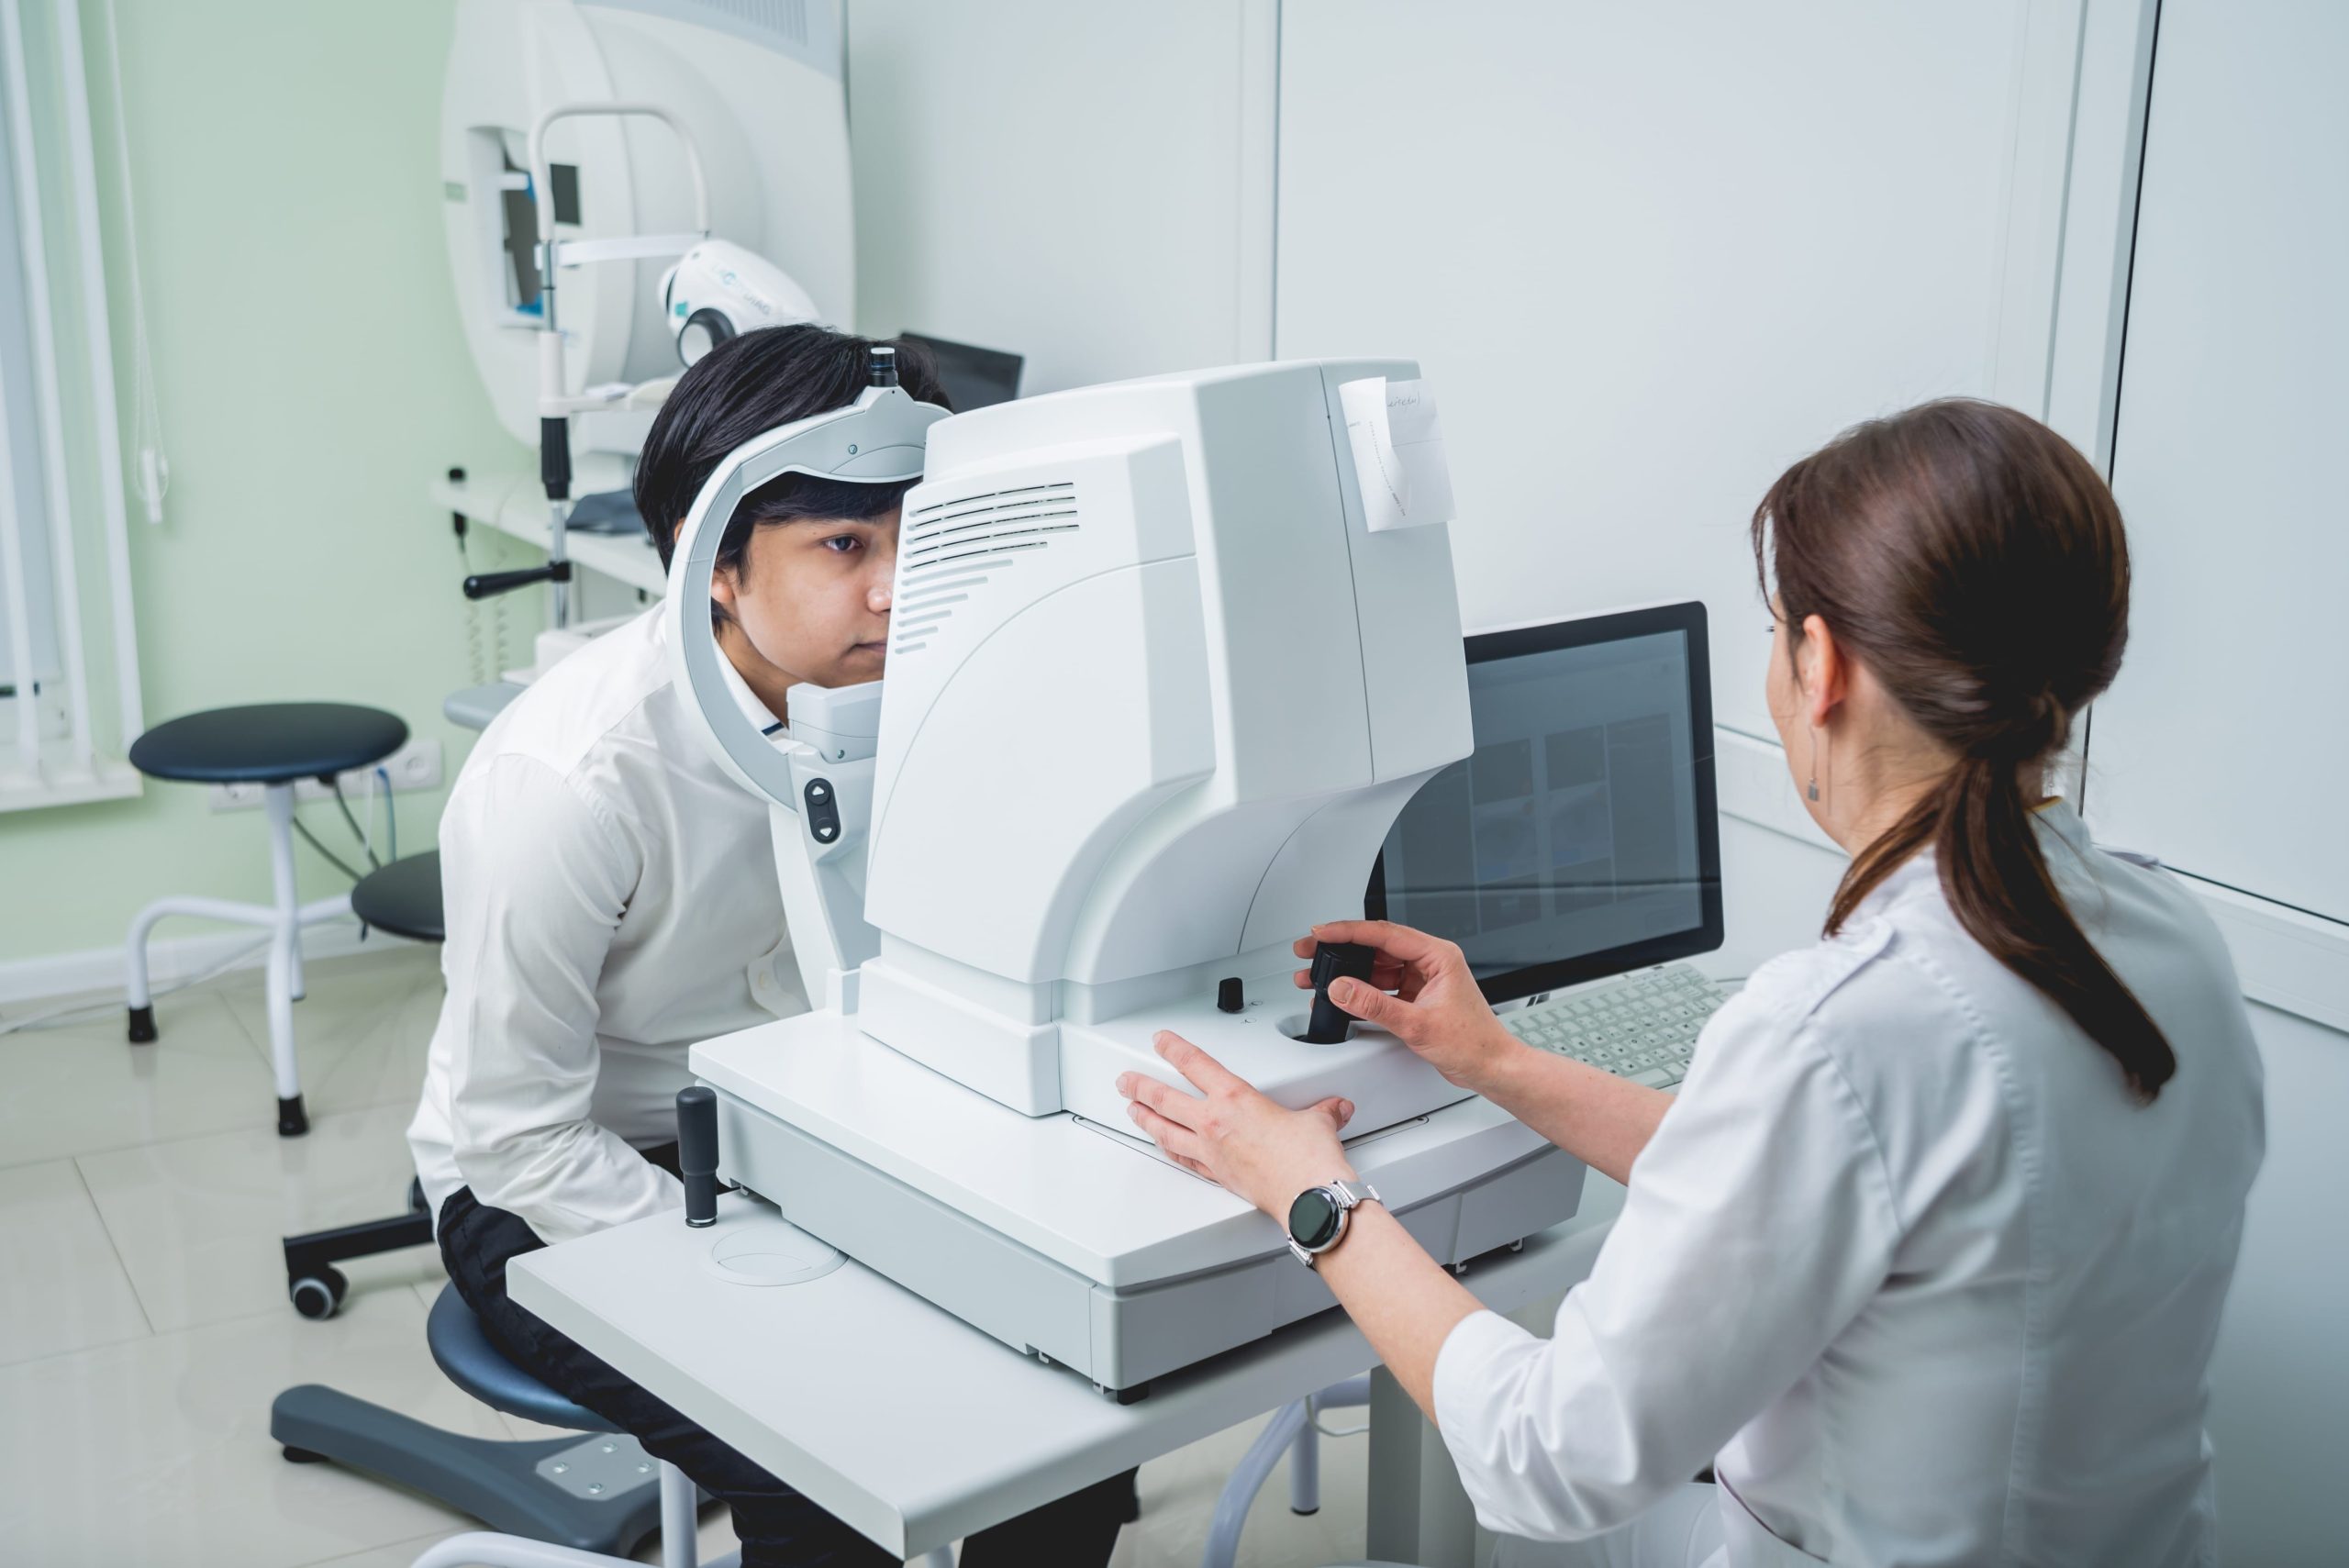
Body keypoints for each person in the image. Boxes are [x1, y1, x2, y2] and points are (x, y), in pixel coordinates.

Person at [1116, 399, 2266, 1566]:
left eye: (1777, 632)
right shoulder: (2176, 940)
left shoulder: (1837, 1028)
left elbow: (1547, 1458)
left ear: (1818, 664)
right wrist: (1496, 1060)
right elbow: (1824, 1171)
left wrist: (1312, 1192)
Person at [408, 324, 1133, 1567]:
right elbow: (515, 1134)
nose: (898, 591)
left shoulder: (942, 708)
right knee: (828, 1461)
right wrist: (767, 1271)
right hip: (564, 1178)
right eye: (845, 545)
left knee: (1060, 1421)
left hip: (816, 1138)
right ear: (716, 568)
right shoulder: (571, 782)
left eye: (921, 537)